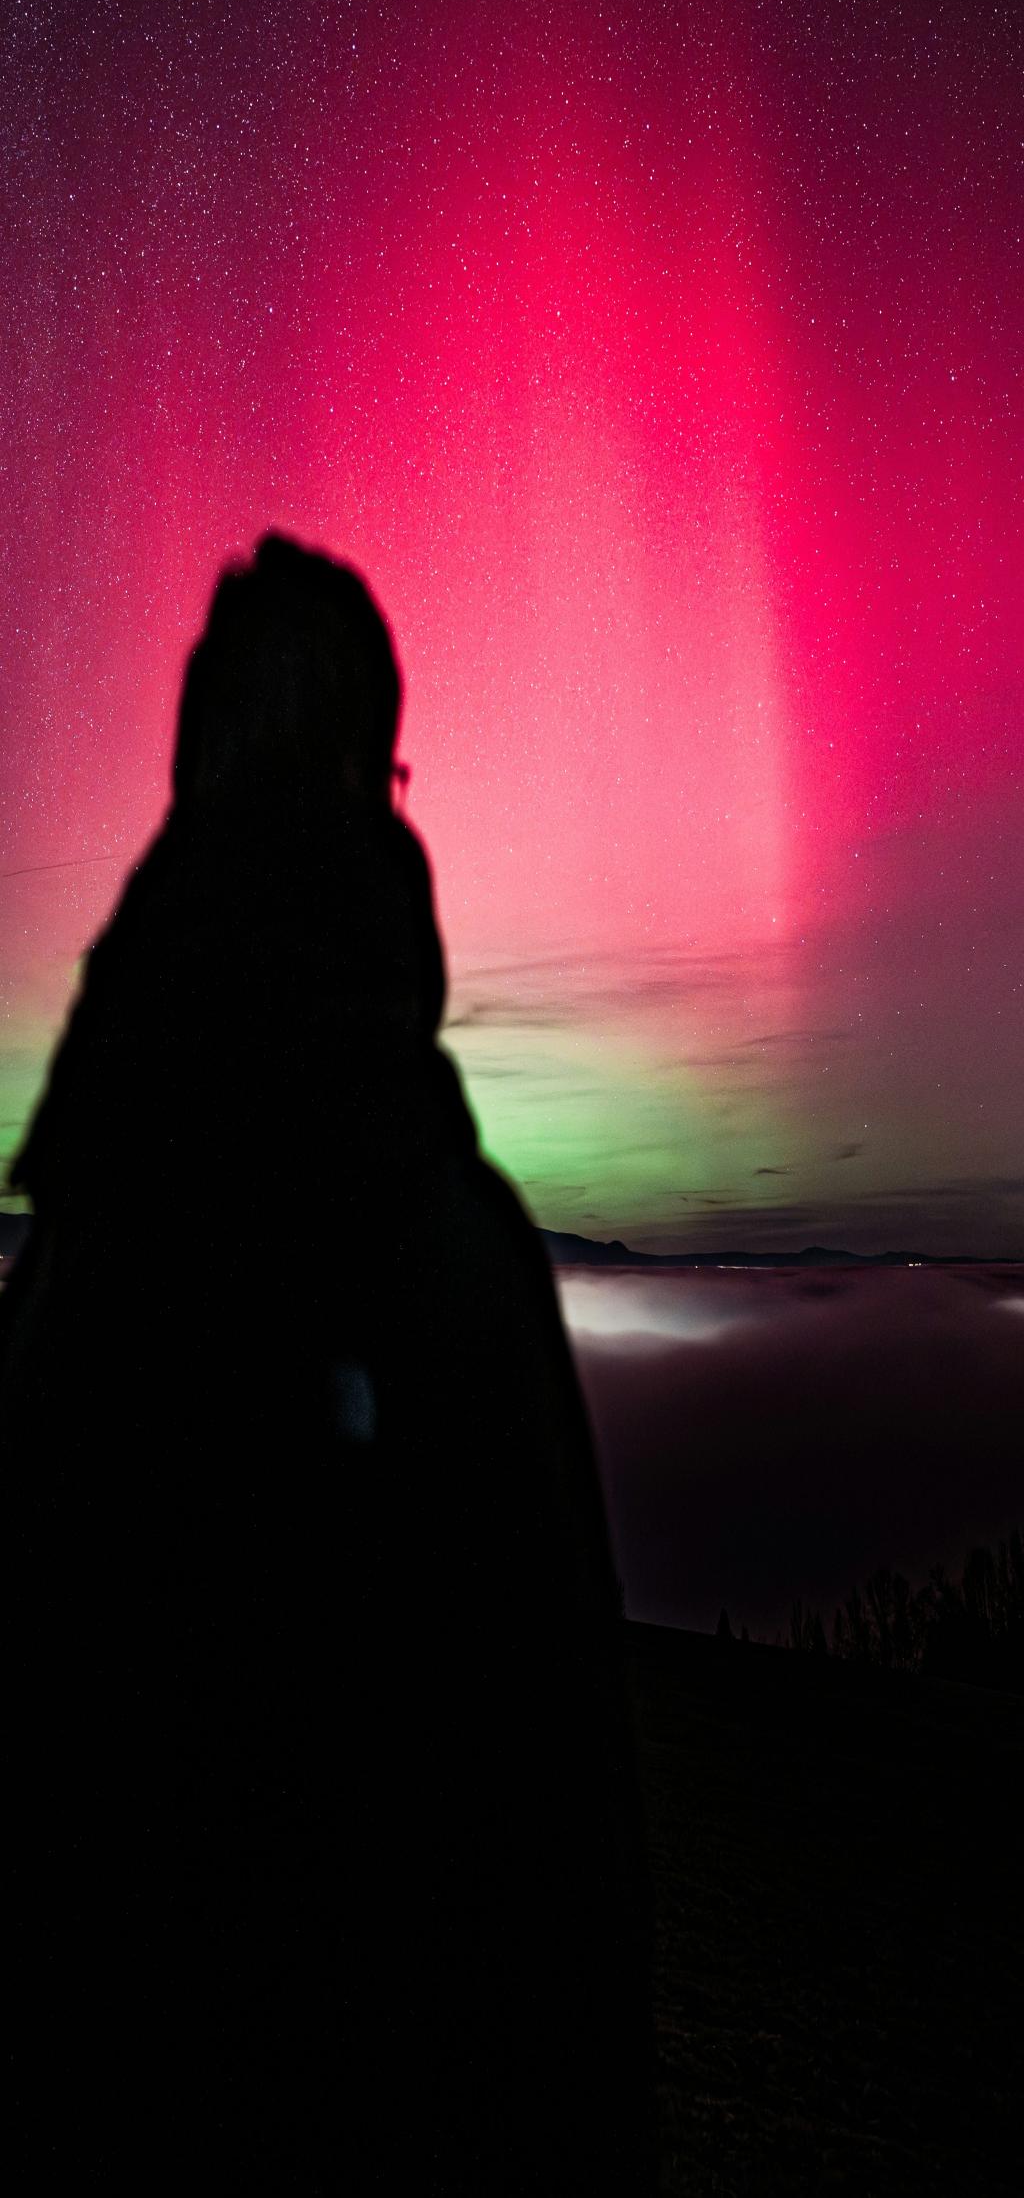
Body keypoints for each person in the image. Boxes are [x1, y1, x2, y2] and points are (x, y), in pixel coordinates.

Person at [0, 532, 654, 2192]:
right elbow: (563, 1853)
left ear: (189, 779)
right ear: (375, 786)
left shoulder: (79, 1241)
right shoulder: (448, 1245)